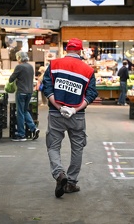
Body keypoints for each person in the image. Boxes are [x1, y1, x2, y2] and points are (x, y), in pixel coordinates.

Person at [42, 37, 98, 198]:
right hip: (77, 115)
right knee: (77, 147)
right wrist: (74, 110)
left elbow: (47, 87)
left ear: (67, 49)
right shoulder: (88, 70)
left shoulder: (53, 65)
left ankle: (59, 174)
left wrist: (59, 107)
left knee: (53, 146)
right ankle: (71, 183)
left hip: (55, 113)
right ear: (80, 51)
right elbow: (91, 94)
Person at [9, 51, 40, 142]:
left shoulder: (19, 67)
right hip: (29, 92)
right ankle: (34, 128)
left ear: (19, 58)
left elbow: (11, 79)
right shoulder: (30, 67)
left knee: (20, 113)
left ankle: (21, 134)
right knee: (25, 111)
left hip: (21, 92)